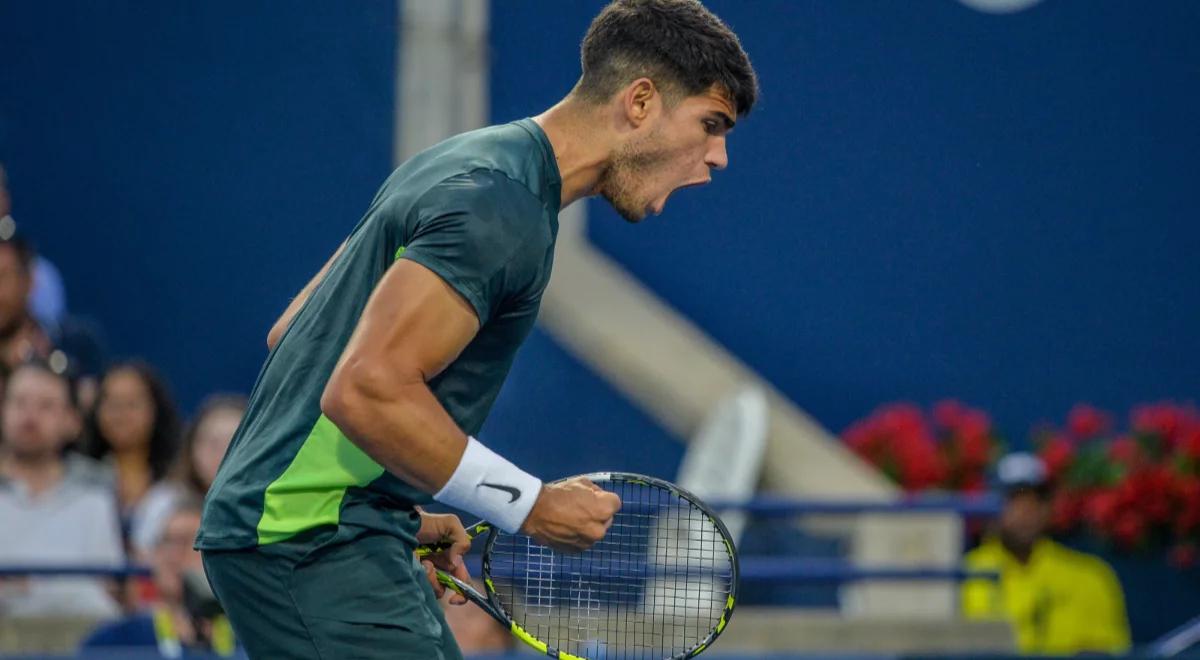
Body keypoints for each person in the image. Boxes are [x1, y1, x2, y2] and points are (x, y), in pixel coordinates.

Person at [196, 1, 757, 658]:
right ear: (639, 102)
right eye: (710, 124)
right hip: (307, 542)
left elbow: (296, 331)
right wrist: (529, 504)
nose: (718, 158)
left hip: (324, 529)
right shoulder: (499, 205)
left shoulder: (469, 163)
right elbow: (363, 388)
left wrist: (391, 504)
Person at [962, 452, 1131, 655]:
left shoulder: (1091, 577)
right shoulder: (962, 576)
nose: (1025, 509)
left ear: (1049, 506)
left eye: (1037, 498)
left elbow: (1110, 652)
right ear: (989, 507)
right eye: (1013, 499)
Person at [0, 359, 124, 619]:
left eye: (46, 406)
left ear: (72, 421)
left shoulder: (96, 493)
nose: (29, 416)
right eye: (19, 402)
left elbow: (108, 587)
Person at [82, 498, 239, 658]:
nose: (173, 555)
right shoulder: (116, 639)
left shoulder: (245, 636)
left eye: (187, 542)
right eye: (166, 542)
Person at [133, 394, 247, 558]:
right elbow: (143, 560)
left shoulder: (270, 502)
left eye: (232, 443)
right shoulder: (162, 502)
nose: (221, 453)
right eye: (212, 442)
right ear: (191, 447)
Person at [83, 361, 181, 549]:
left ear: (155, 409)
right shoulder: (78, 477)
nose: (121, 414)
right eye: (112, 403)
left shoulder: (177, 480)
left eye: (132, 404)